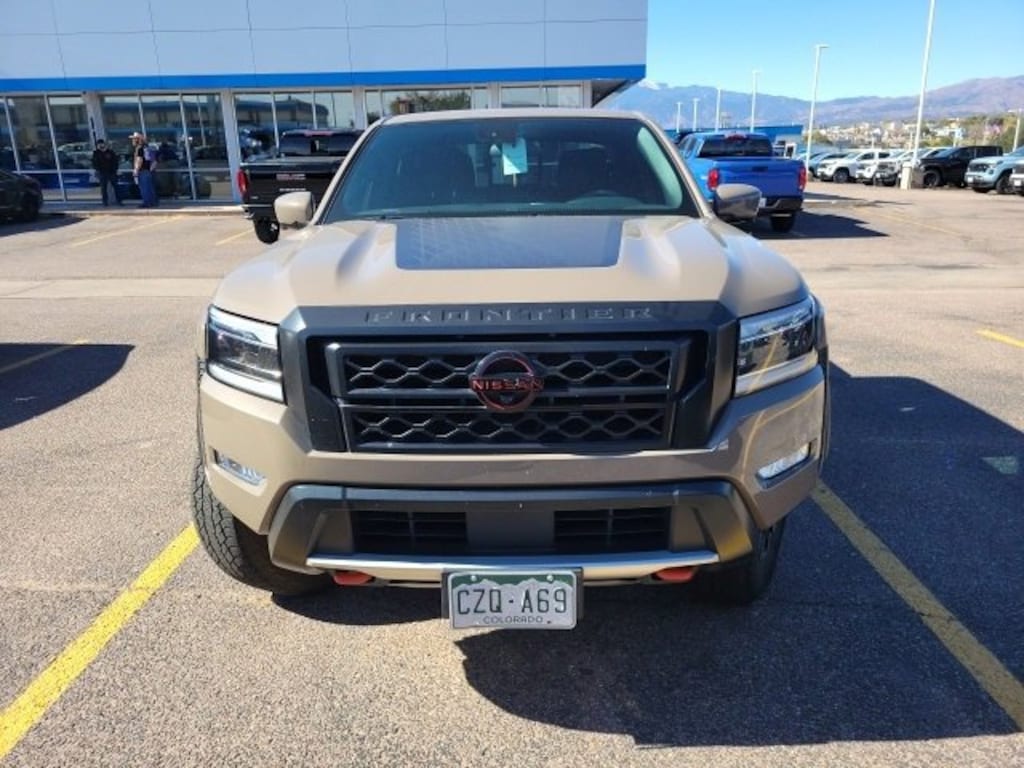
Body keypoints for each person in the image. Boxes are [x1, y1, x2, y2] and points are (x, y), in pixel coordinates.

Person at [90, 138, 122, 206]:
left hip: (111, 172)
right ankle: (105, 202)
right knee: (103, 188)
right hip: (102, 173)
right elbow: (94, 163)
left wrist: (115, 170)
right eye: (98, 144)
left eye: (101, 144)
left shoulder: (110, 152)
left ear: (104, 144)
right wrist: (98, 170)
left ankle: (119, 201)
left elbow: (115, 161)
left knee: (116, 187)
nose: (100, 145)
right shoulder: (96, 153)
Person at [131, 131, 158, 208]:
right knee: (150, 187)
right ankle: (153, 202)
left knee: (144, 188)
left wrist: (136, 170)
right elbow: (154, 160)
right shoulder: (147, 147)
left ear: (138, 140)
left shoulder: (139, 148)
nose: (133, 140)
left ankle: (147, 203)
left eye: (134, 139)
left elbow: (139, 159)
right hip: (148, 170)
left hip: (142, 170)